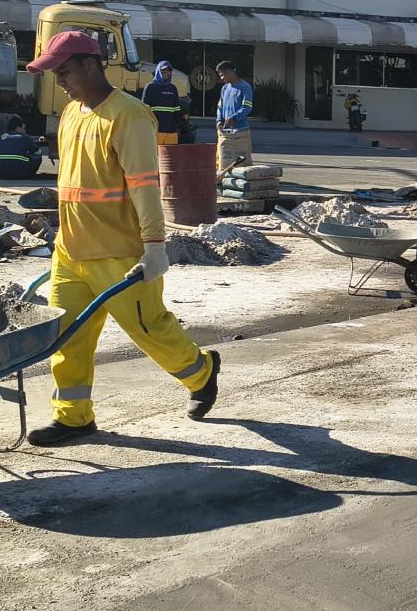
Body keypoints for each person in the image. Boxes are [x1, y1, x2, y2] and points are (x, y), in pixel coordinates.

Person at [22, 31, 220, 446]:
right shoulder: (72, 114)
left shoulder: (129, 116)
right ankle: (73, 417)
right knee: (66, 338)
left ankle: (201, 373)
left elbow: (145, 186)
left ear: (90, 65)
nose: (59, 81)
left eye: (64, 71)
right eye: (55, 74)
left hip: (120, 254)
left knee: (149, 330)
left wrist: (155, 246)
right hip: (71, 253)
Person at [216, 61, 254, 175]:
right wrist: (219, 120)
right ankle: (224, 179)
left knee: (243, 164)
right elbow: (220, 106)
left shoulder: (245, 87)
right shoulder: (224, 88)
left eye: (222, 75)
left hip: (241, 131)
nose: (221, 78)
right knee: (224, 163)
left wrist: (234, 118)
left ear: (230, 72)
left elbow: (247, 107)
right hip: (225, 132)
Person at [141, 60, 185, 146]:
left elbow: (177, 111)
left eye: (168, 70)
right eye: (163, 70)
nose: (166, 72)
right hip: (156, 131)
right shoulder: (150, 87)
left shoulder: (173, 88)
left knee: (171, 154)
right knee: (155, 154)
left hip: (171, 133)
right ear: (158, 71)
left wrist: (180, 128)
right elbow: (144, 110)